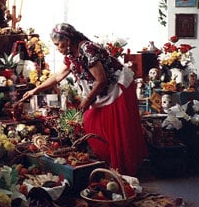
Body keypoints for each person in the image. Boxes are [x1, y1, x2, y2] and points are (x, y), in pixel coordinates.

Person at [21, 23, 147, 175]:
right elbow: (57, 77)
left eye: (58, 44)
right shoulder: (70, 55)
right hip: (102, 92)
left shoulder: (86, 49)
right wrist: (35, 90)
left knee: (114, 128)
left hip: (117, 89)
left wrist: (86, 102)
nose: (57, 48)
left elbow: (102, 80)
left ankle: (121, 169)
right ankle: (109, 165)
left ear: (67, 40)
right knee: (92, 122)